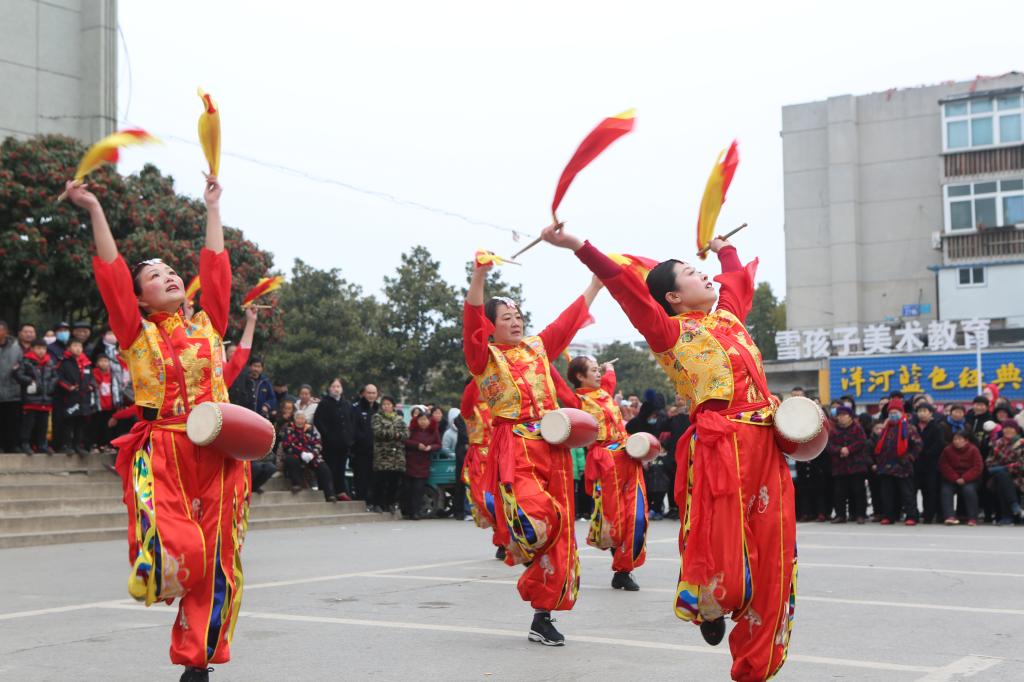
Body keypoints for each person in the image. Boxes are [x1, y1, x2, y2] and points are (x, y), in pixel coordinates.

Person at [542, 224, 796, 680]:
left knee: (776, 556)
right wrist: (580, 246)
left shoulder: (729, 318)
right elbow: (626, 289)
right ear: (674, 297)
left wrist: (725, 249)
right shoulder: (668, 333)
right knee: (726, 554)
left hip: (767, 449)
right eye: (692, 273)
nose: (705, 276)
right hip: (723, 451)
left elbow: (737, 280)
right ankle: (710, 598)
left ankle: (755, 668)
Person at [66, 174, 245, 681]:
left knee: (219, 559)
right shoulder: (135, 333)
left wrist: (212, 208)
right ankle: (159, 571)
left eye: (170, 271)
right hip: (165, 451)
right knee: (183, 552)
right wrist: (95, 208)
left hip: (221, 452)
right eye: (153, 275)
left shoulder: (208, 326)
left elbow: (217, 271)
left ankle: (198, 663)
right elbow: (111, 274)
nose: (167, 276)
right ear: (140, 299)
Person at [464, 255, 601, 646]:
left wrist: (595, 285)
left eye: (518, 315)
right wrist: (479, 276)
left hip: (552, 447)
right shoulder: (483, 358)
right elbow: (471, 322)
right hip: (516, 447)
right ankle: (517, 541)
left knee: (562, 534)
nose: (515, 321)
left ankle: (542, 616)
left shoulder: (537, 349)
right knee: (539, 518)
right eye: (506, 316)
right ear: (490, 326)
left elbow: (566, 322)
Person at [568, 356, 647, 592]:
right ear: (580, 376)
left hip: (629, 457)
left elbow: (609, 378)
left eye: (598, 370)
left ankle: (623, 569)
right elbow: (560, 386)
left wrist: (609, 367)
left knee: (638, 517)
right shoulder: (577, 401)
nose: (598, 374)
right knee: (616, 521)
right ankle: (622, 571)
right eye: (593, 370)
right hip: (606, 463)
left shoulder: (605, 393)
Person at [873, 398, 922, 526]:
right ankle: (889, 516)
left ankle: (912, 516)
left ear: (901, 413)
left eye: (895, 412)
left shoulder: (909, 428)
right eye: (891, 413)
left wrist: (909, 457)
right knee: (887, 494)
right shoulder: (886, 428)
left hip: (903, 466)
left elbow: (918, 445)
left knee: (907, 493)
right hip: (886, 466)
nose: (893, 415)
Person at [280, 411, 336, 501]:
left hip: (311, 455)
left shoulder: (311, 429)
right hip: (296, 454)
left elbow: (318, 444)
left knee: (324, 468)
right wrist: (301, 453)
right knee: (291, 460)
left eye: (302, 418)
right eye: (298, 418)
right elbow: (287, 445)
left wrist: (312, 454)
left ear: (305, 420)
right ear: (294, 419)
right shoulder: (289, 429)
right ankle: (297, 484)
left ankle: (329, 494)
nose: (300, 421)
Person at [314, 378, 354, 501]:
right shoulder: (324, 403)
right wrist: (328, 435)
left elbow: (351, 421)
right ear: (329, 389)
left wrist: (349, 437)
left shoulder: (346, 404)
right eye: (333, 386)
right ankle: (328, 491)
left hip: (344, 443)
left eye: (338, 387)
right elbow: (318, 421)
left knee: (341, 467)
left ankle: (340, 491)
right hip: (330, 443)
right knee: (329, 467)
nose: (336, 389)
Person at [826, 406, 868, 524]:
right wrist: (839, 450)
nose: (841, 418)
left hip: (856, 466)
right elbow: (829, 445)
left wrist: (849, 449)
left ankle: (860, 514)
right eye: (839, 415)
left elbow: (862, 442)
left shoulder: (857, 428)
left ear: (850, 417)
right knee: (839, 492)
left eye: (844, 415)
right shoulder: (833, 430)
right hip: (839, 466)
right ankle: (840, 515)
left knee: (858, 491)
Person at [15, 338, 56, 455]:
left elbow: (55, 376)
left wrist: (50, 386)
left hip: (45, 399)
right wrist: (30, 381)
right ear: (32, 349)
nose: (41, 351)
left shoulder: (49, 362)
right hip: (31, 398)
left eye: (43, 348)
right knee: (28, 424)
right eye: (38, 348)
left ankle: (42, 444)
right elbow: (18, 374)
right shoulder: (26, 361)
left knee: (43, 424)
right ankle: (25, 443)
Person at [54, 339, 94, 456]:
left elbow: (91, 378)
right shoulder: (64, 362)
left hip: (84, 398)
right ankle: (66, 445)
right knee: (68, 422)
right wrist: (69, 387)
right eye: (75, 346)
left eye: (80, 346)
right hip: (69, 397)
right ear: (69, 348)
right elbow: (58, 378)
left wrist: (91, 386)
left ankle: (77, 445)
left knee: (80, 422)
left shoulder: (86, 363)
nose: (78, 348)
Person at [371, 396, 408, 515]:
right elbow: (378, 432)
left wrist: (397, 435)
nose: (386, 406)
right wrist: (395, 434)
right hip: (383, 454)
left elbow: (406, 434)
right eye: (384, 404)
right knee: (380, 480)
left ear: (393, 406)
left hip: (397, 456)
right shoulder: (377, 417)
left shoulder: (399, 418)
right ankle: (377, 503)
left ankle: (390, 503)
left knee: (394, 481)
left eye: (388, 404)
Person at [914, 403, 950, 524]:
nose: (922, 413)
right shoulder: (913, 426)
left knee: (929, 490)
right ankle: (913, 514)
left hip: (931, 464)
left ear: (930, 413)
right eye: (920, 411)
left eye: (925, 411)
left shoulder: (937, 427)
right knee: (912, 490)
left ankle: (928, 515)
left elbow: (939, 444)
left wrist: (925, 453)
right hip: (915, 463)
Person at [939, 431, 983, 526]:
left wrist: (964, 478)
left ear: (966, 440)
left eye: (959, 439)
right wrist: (955, 478)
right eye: (955, 439)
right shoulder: (947, 450)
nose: (957, 441)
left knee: (969, 490)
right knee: (946, 491)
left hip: (970, 479)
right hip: (952, 478)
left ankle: (972, 517)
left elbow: (977, 467)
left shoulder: (973, 450)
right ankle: (949, 516)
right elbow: (944, 466)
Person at [403, 411, 440, 519]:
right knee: (408, 488)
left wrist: (431, 447)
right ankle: (407, 511)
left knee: (419, 489)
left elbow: (438, 444)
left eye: (425, 419)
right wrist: (417, 445)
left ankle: (416, 512)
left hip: (424, 463)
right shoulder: (411, 430)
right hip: (410, 461)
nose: (423, 422)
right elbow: (405, 441)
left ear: (429, 421)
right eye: (421, 419)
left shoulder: (433, 431)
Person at [985, 420, 1023, 525]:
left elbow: (1021, 464)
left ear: (1016, 430)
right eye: (1006, 428)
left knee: (1002, 477)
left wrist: (1004, 468)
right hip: (1000, 475)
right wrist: (1004, 469)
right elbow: (989, 462)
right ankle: (1014, 506)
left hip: (1019, 476)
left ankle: (1007, 516)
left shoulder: (1021, 443)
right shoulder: (997, 443)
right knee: (1002, 477)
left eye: (1011, 428)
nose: (1008, 430)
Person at [351, 384, 380, 504]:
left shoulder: (379, 408)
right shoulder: (356, 408)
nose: (371, 395)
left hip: (377, 451)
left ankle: (372, 502)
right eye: (369, 393)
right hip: (360, 451)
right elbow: (353, 429)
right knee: (361, 477)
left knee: (374, 478)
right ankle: (360, 501)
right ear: (364, 393)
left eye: (373, 393)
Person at [90, 354, 124, 452]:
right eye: (101, 361)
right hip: (97, 405)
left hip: (110, 405)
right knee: (96, 425)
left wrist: (118, 403)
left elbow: (118, 390)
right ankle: (94, 445)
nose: (104, 363)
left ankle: (107, 445)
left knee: (108, 427)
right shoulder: (93, 374)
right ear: (97, 363)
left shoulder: (113, 375)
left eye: (106, 361)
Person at [0, 320, 23, 452]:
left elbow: (22, 365)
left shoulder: (16, 347)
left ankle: (13, 446)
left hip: (12, 390)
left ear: (6, 332)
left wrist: (17, 370)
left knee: (12, 421)